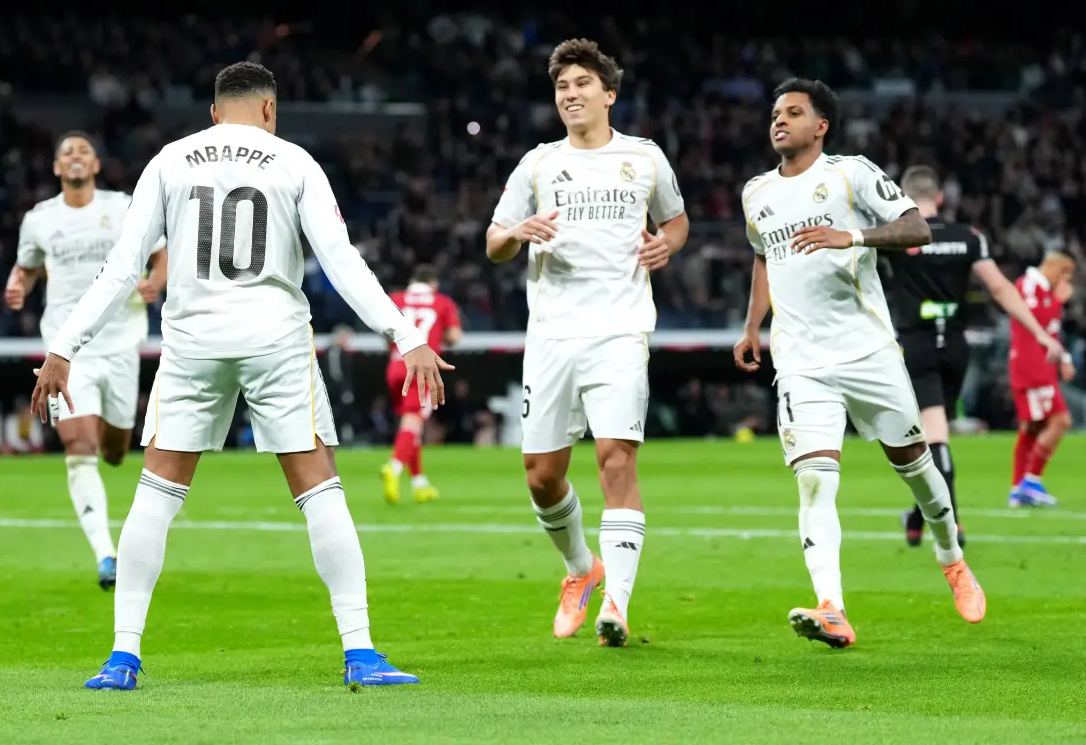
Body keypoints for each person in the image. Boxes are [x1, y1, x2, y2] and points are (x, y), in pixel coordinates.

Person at [30, 61, 451, 690]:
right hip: (275, 340)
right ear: (269, 111)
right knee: (317, 485)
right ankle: (360, 651)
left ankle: (122, 657)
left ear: (214, 112)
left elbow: (123, 267)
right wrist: (407, 334)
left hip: (194, 343)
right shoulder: (294, 161)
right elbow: (340, 261)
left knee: (157, 491)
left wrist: (64, 347)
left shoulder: (171, 159)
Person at [733, 78, 986, 649]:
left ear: (820, 125)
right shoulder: (756, 193)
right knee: (815, 481)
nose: (780, 121)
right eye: (776, 113)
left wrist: (849, 237)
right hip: (799, 360)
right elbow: (762, 257)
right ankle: (832, 607)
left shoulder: (852, 173)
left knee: (918, 467)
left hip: (867, 351)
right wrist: (752, 326)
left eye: (793, 112)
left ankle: (951, 558)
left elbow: (916, 227)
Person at [485, 39, 689, 648]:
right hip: (550, 334)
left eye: (580, 84)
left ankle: (618, 607)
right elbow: (493, 241)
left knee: (616, 462)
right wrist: (516, 232)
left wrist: (668, 245)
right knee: (542, 475)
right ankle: (582, 568)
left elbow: (676, 220)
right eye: (561, 87)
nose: (569, 95)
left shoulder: (645, 158)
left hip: (621, 330)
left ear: (609, 93)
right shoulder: (538, 163)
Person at [6, 131, 168, 591]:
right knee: (79, 449)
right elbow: (29, 265)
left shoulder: (123, 207)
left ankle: (112, 451)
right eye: (66, 153)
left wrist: (157, 281)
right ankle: (106, 553)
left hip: (119, 341)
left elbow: (161, 256)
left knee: (115, 449)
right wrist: (19, 284)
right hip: (66, 348)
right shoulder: (39, 219)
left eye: (84, 151)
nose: (75, 158)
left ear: (96, 165)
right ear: (57, 168)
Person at [879, 165, 1065, 545]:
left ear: (905, 199)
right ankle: (915, 521)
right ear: (941, 198)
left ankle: (953, 523)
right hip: (957, 350)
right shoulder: (969, 237)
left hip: (917, 347)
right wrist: (1041, 334)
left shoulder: (897, 237)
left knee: (933, 439)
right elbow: (999, 288)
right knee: (936, 432)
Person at [380, 264, 462, 505]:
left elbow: (385, 331)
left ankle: (419, 484)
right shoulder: (441, 301)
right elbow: (455, 336)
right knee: (414, 423)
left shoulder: (395, 298)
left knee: (408, 425)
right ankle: (393, 467)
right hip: (422, 367)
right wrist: (441, 334)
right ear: (433, 284)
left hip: (395, 365)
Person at [1008, 251, 1076, 507]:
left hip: (1041, 364)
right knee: (1061, 420)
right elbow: (1031, 321)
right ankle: (1032, 480)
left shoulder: (1045, 290)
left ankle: (1017, 489)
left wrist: (1064, 359)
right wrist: (1056, 304)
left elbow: (1050, 332)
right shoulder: (1028, 285)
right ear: (1056, 269)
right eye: (1066, 274)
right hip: (1031, 365)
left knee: (1032, 427)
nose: (1066, 280)